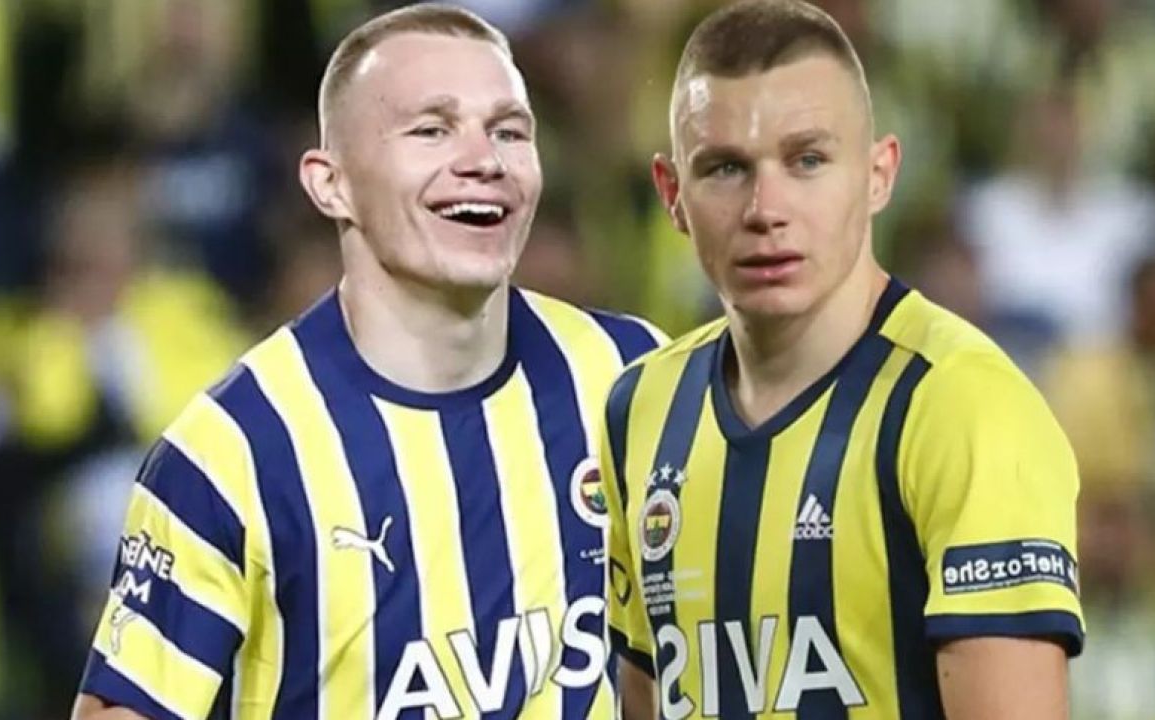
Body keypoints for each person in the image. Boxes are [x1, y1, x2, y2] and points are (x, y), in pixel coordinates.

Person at [71, 4, 664, 718]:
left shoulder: (632, 378)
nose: (484, 160)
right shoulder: (232, 453)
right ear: (331, 184)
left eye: (510, 131)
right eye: (431, 130)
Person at [601, 1, 1084, 718]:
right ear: (672, 196)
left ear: (879, 174)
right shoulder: (640, 408)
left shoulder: (962, 405)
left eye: (807, 160)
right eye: (726, 167)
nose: (765, 209)